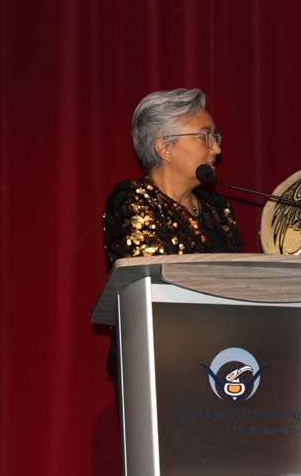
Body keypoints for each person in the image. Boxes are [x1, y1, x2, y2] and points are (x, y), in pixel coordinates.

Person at [102, 88, 244, 372]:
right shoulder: (133, 198)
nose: (216, 148)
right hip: (160, 358)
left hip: (225, 354)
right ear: (165, 148)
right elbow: (153, 281)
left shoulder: (219, 209)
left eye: (215, 137)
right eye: (205, 136)